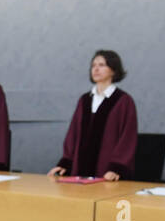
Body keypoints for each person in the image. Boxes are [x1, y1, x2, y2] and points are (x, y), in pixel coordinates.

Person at [47, 50, 139, 182]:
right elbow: (73, 134)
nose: (96, 69)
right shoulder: (84, 100)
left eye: (102, 65)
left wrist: (117, 168)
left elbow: (127, 139)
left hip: (108, 173)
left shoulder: (123, 101)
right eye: (93, 65)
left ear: (113, 70)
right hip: (80, 172)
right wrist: (65, 163)